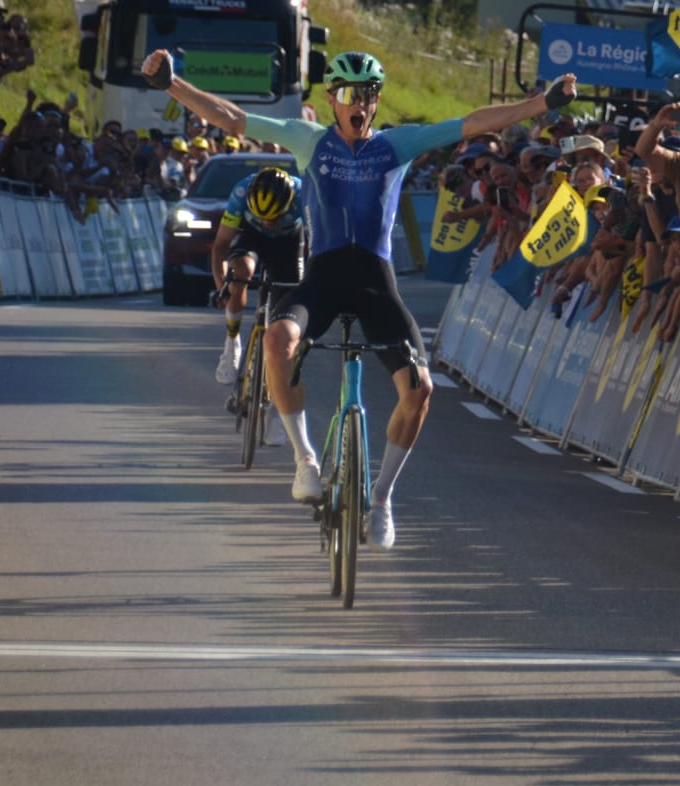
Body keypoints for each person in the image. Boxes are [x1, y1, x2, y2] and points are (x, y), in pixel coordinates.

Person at [142, 46, 577, 549]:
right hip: (323, 276)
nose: (360, 103)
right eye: (350, 94)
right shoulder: (308, 139)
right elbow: (234, 118)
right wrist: (172, 85)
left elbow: (474, 122)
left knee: (420, 391)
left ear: (376, 100)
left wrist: (540, 104)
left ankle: (383, 496)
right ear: (331, 99)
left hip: (375, 281)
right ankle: (305, 460)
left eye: (368, 94)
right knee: (278, 340)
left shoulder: (396, 145)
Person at [210, 165, 307, 383]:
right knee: (241, 273)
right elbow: (220, 246)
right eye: (262, 217)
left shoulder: (304, 196)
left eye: (274, 217)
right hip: (251, 237)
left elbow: (321, 246)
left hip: (289, 242)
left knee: (289, 301)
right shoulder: (241, 193)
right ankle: (232, 342)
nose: (268, 224)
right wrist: (221, 288)